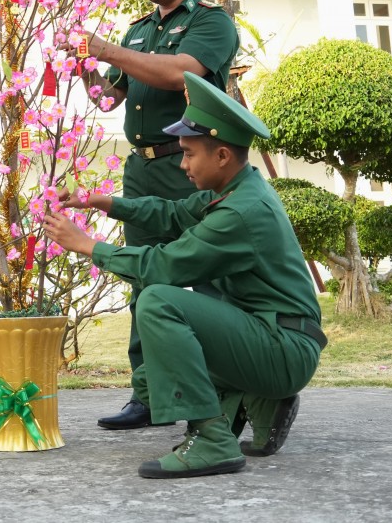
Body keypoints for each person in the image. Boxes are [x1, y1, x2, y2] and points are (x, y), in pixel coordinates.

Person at [43, 71, 326, 479]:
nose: (182, 163)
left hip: (283, 347)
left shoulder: (240, 213)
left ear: (222, 156)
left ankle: (213, 439)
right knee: (148, 379)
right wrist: (100, 201)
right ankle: (259, 399)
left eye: (189, 153)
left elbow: (164, 267)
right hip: (273, 335)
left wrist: (88, 245)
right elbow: (171, 213)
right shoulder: (234, 189)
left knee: (158, 300)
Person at [75, 0, 239, 430]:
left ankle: (220, 395)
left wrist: (106, 49)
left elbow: (179, 76)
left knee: (211, 280)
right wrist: (82, 61)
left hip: (192, 168)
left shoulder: (212, 22)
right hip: (143, 170)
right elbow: (107, 99)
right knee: (142, 279)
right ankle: (147, 395)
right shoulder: (137, 31)